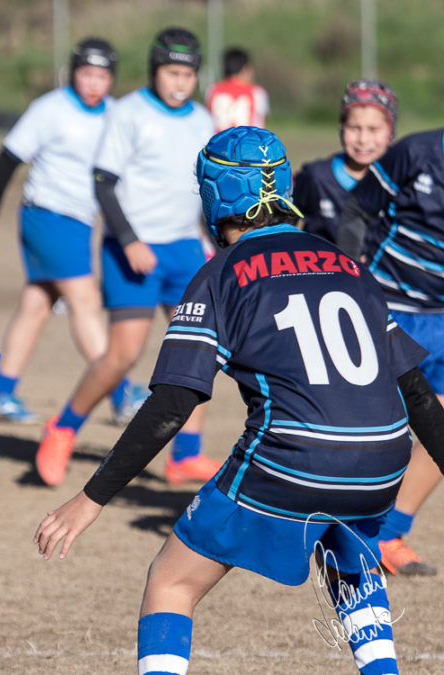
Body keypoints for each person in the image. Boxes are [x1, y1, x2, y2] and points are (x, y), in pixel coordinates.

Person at [35, 125, 444, 675]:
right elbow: (416, 392)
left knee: (171, 582)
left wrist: (91, 498)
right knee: (351, 557)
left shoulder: (220, 273)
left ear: (213, 194)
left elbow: (172, 405)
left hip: (295, 456)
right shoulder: (346, 265)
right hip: (383, 459)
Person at [34, 27, 217, 487]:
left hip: (185, 250)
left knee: (200, 351)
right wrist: (131, 240)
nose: (180, 82)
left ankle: (186, 455)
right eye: (172, 72)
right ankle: (63, 428)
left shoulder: (201, 118)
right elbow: (103, 182)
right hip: (131, 249)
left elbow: (206, 187)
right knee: (122, 356)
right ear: (155, 71)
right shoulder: (130, 112)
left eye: (188, 74)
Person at [0, 38, 144, 425]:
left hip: (81, 222)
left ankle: (0, 392)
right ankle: (119, 392)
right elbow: (7, 159)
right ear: (72, 73)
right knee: (83, 301)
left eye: (102, 76)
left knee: (37, 304)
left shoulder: (115, 113)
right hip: (48, 216)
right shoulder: (50, 109)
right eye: (86, 73)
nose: (93, 83)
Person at [336, 119, 444, 577]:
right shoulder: (416, 152)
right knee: (373, 428)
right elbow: (357, 211)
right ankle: (334, 528)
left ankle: (389, 534)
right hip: (392, 307)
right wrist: (346, 277)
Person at [293, 80, 398, 245]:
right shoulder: (315, 177)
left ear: (390, 132)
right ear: (341, 128)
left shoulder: (401, 182)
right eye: (354, 128)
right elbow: (282, 228)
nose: (363, 139)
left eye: (373, 129)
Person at [205, 47, 269, 131]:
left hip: (219, 142)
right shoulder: (256, 92)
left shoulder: (213, 89)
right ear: (245, 69)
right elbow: (261, 124)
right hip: (247, 143)